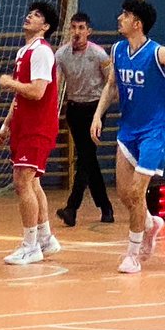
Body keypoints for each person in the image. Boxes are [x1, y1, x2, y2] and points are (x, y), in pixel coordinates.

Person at [91, 0, 165, 274]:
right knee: (124, 194)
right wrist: (98, 115)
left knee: (137, 192)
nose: (120, 18)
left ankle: (133, 254)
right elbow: (112, 85)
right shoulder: (118, 50)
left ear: (137, 23)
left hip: (154, 131)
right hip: (128, 130)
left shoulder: (158, 53)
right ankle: (151, 224)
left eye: (125, 15)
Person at [0, 2, 63, 265]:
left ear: (45, 26)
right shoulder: (24, 51)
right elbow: (20, 98)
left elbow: (37, 91)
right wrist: (6, 125)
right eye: (30, 13)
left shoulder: (42, 51)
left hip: (38, 126)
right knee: (33, 182)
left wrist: (10, 82)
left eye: (36, 16)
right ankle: (45, 238)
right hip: (24, 124)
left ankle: (30, 246)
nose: (29, 16)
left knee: (22, 182)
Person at [55, 13, 115, 226]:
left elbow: (111, 82)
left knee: (85, 157)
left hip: (94, 109)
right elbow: (56, 85)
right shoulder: (61, 54)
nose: (76, 32)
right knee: (88, 159)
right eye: (73, 27)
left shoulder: (98, 54)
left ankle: (72, 208)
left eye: (81, 28)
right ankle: (106, 207)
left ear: (88, 31)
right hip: (74, 109)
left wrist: (104, 107)